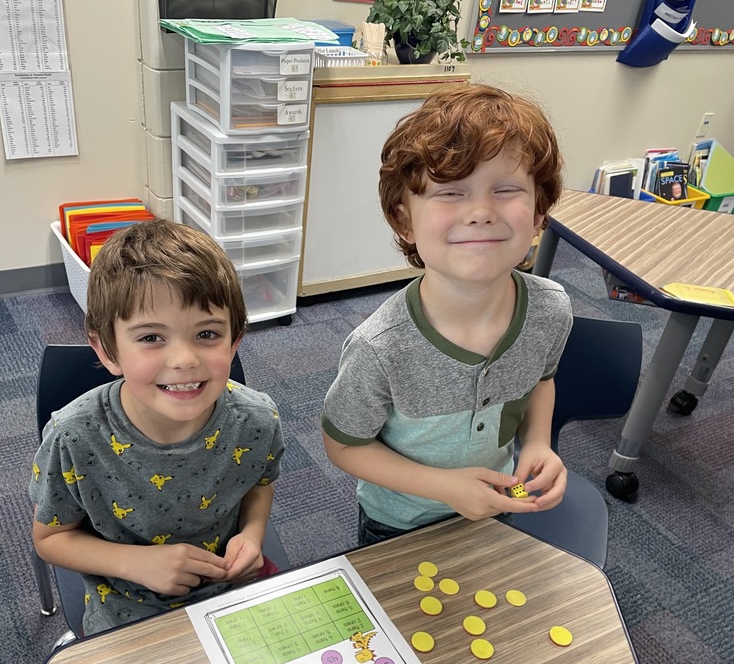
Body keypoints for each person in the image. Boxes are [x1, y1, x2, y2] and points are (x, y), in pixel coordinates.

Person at [321, 83, 572, 546]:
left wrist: (537, 442)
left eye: (506, 189)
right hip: (396, 522)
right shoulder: (379, 348)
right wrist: (445, 489)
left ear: (539, 213)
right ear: (404, 221)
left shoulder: (550, 309)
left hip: (495, 508)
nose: (480, 211)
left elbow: (542, 380)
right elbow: (342, 444)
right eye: (451, 192)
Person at [31, 219, 284, 634]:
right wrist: (135, 563)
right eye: (150, 337)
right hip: (128, 610)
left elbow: (259, 483)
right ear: (108, 350)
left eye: (207, 333)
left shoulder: (258, 419)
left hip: (230, 591)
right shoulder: (73, 438)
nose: (184, 359)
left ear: (234, 340)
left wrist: (253, 534)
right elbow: (50, 538)